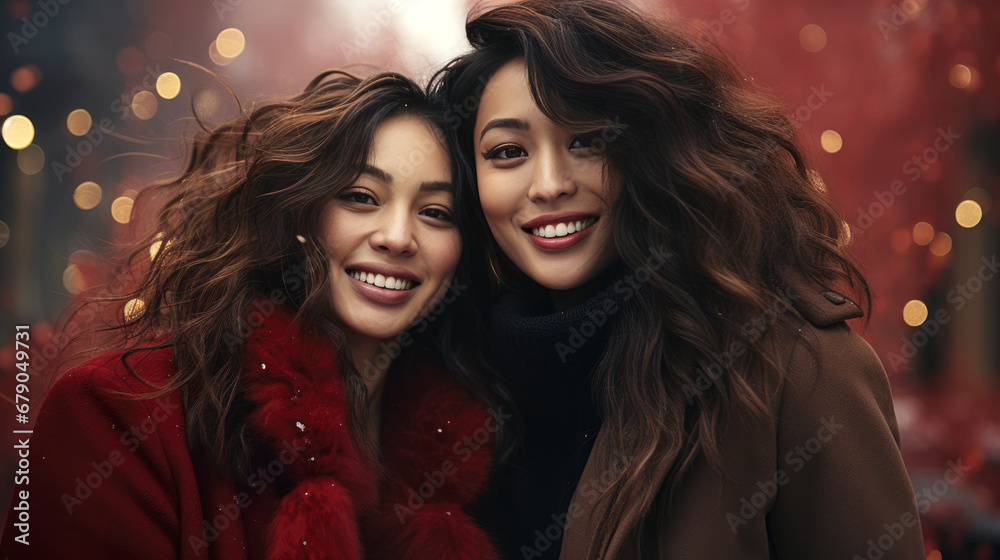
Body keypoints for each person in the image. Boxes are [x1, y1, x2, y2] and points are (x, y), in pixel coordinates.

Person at [431, 1, 924, 558]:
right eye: (508, 152)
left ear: (655, 150)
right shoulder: (450, 384)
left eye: (589, 140)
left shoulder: (797, 369)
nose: (548, 185)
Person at [0, 71, 503, 560]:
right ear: (299, 211)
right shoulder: (116, 413)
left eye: (436, 212)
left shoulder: (485, 458)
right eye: (360, 197)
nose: (397, 237)